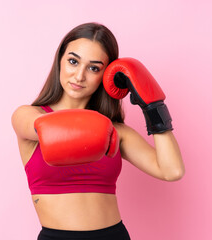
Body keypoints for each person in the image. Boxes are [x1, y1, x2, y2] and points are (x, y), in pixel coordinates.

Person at [11, 22, 185, 240]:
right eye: (73, 61)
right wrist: (102, 131)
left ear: (106, 75)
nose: (79, 76)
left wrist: (152, 107)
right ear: (60, 61)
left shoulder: (116, 130)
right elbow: (47, 130)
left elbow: (172, 171)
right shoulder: (28, 115)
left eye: (94, 68)